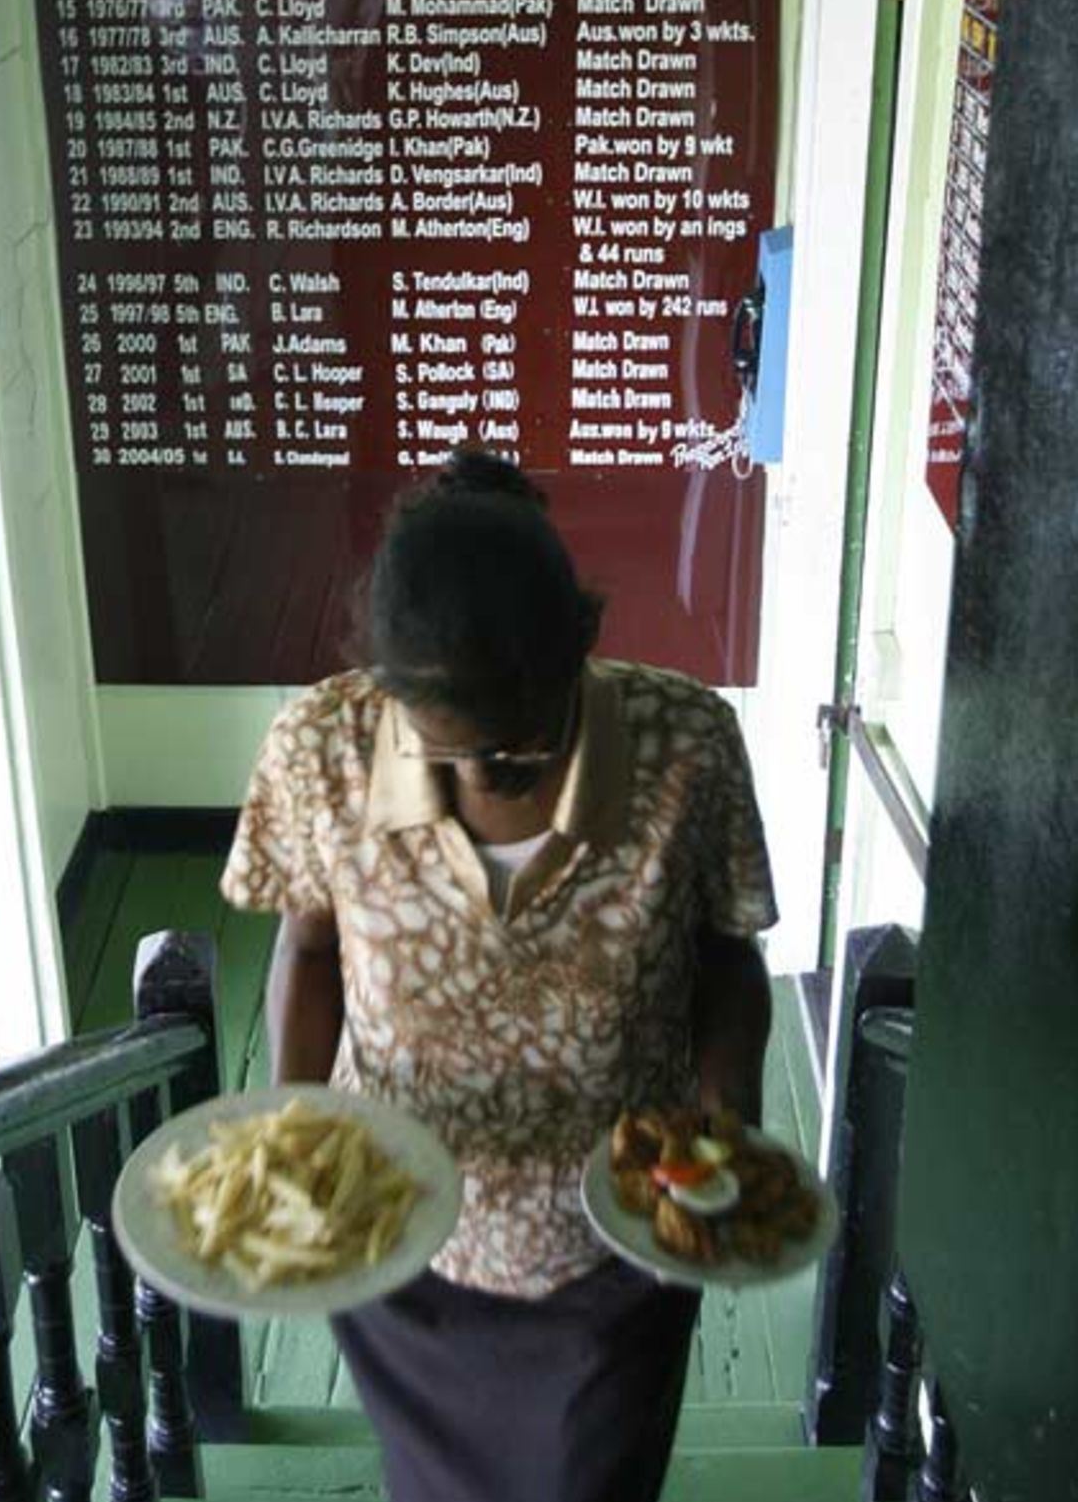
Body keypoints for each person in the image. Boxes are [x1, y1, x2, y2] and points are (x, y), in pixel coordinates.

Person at [221, 446, 778, 1502]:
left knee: (590, 1481)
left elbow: (724, 955)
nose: (493, 778)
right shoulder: (318, 748)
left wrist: (728, 1113)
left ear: (583, 646)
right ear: (383, 694)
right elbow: (305, 947)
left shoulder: (687, 745)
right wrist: (293, 1130)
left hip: (611, 1239)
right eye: (455, 755)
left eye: (528, 745)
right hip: (394, 1230)